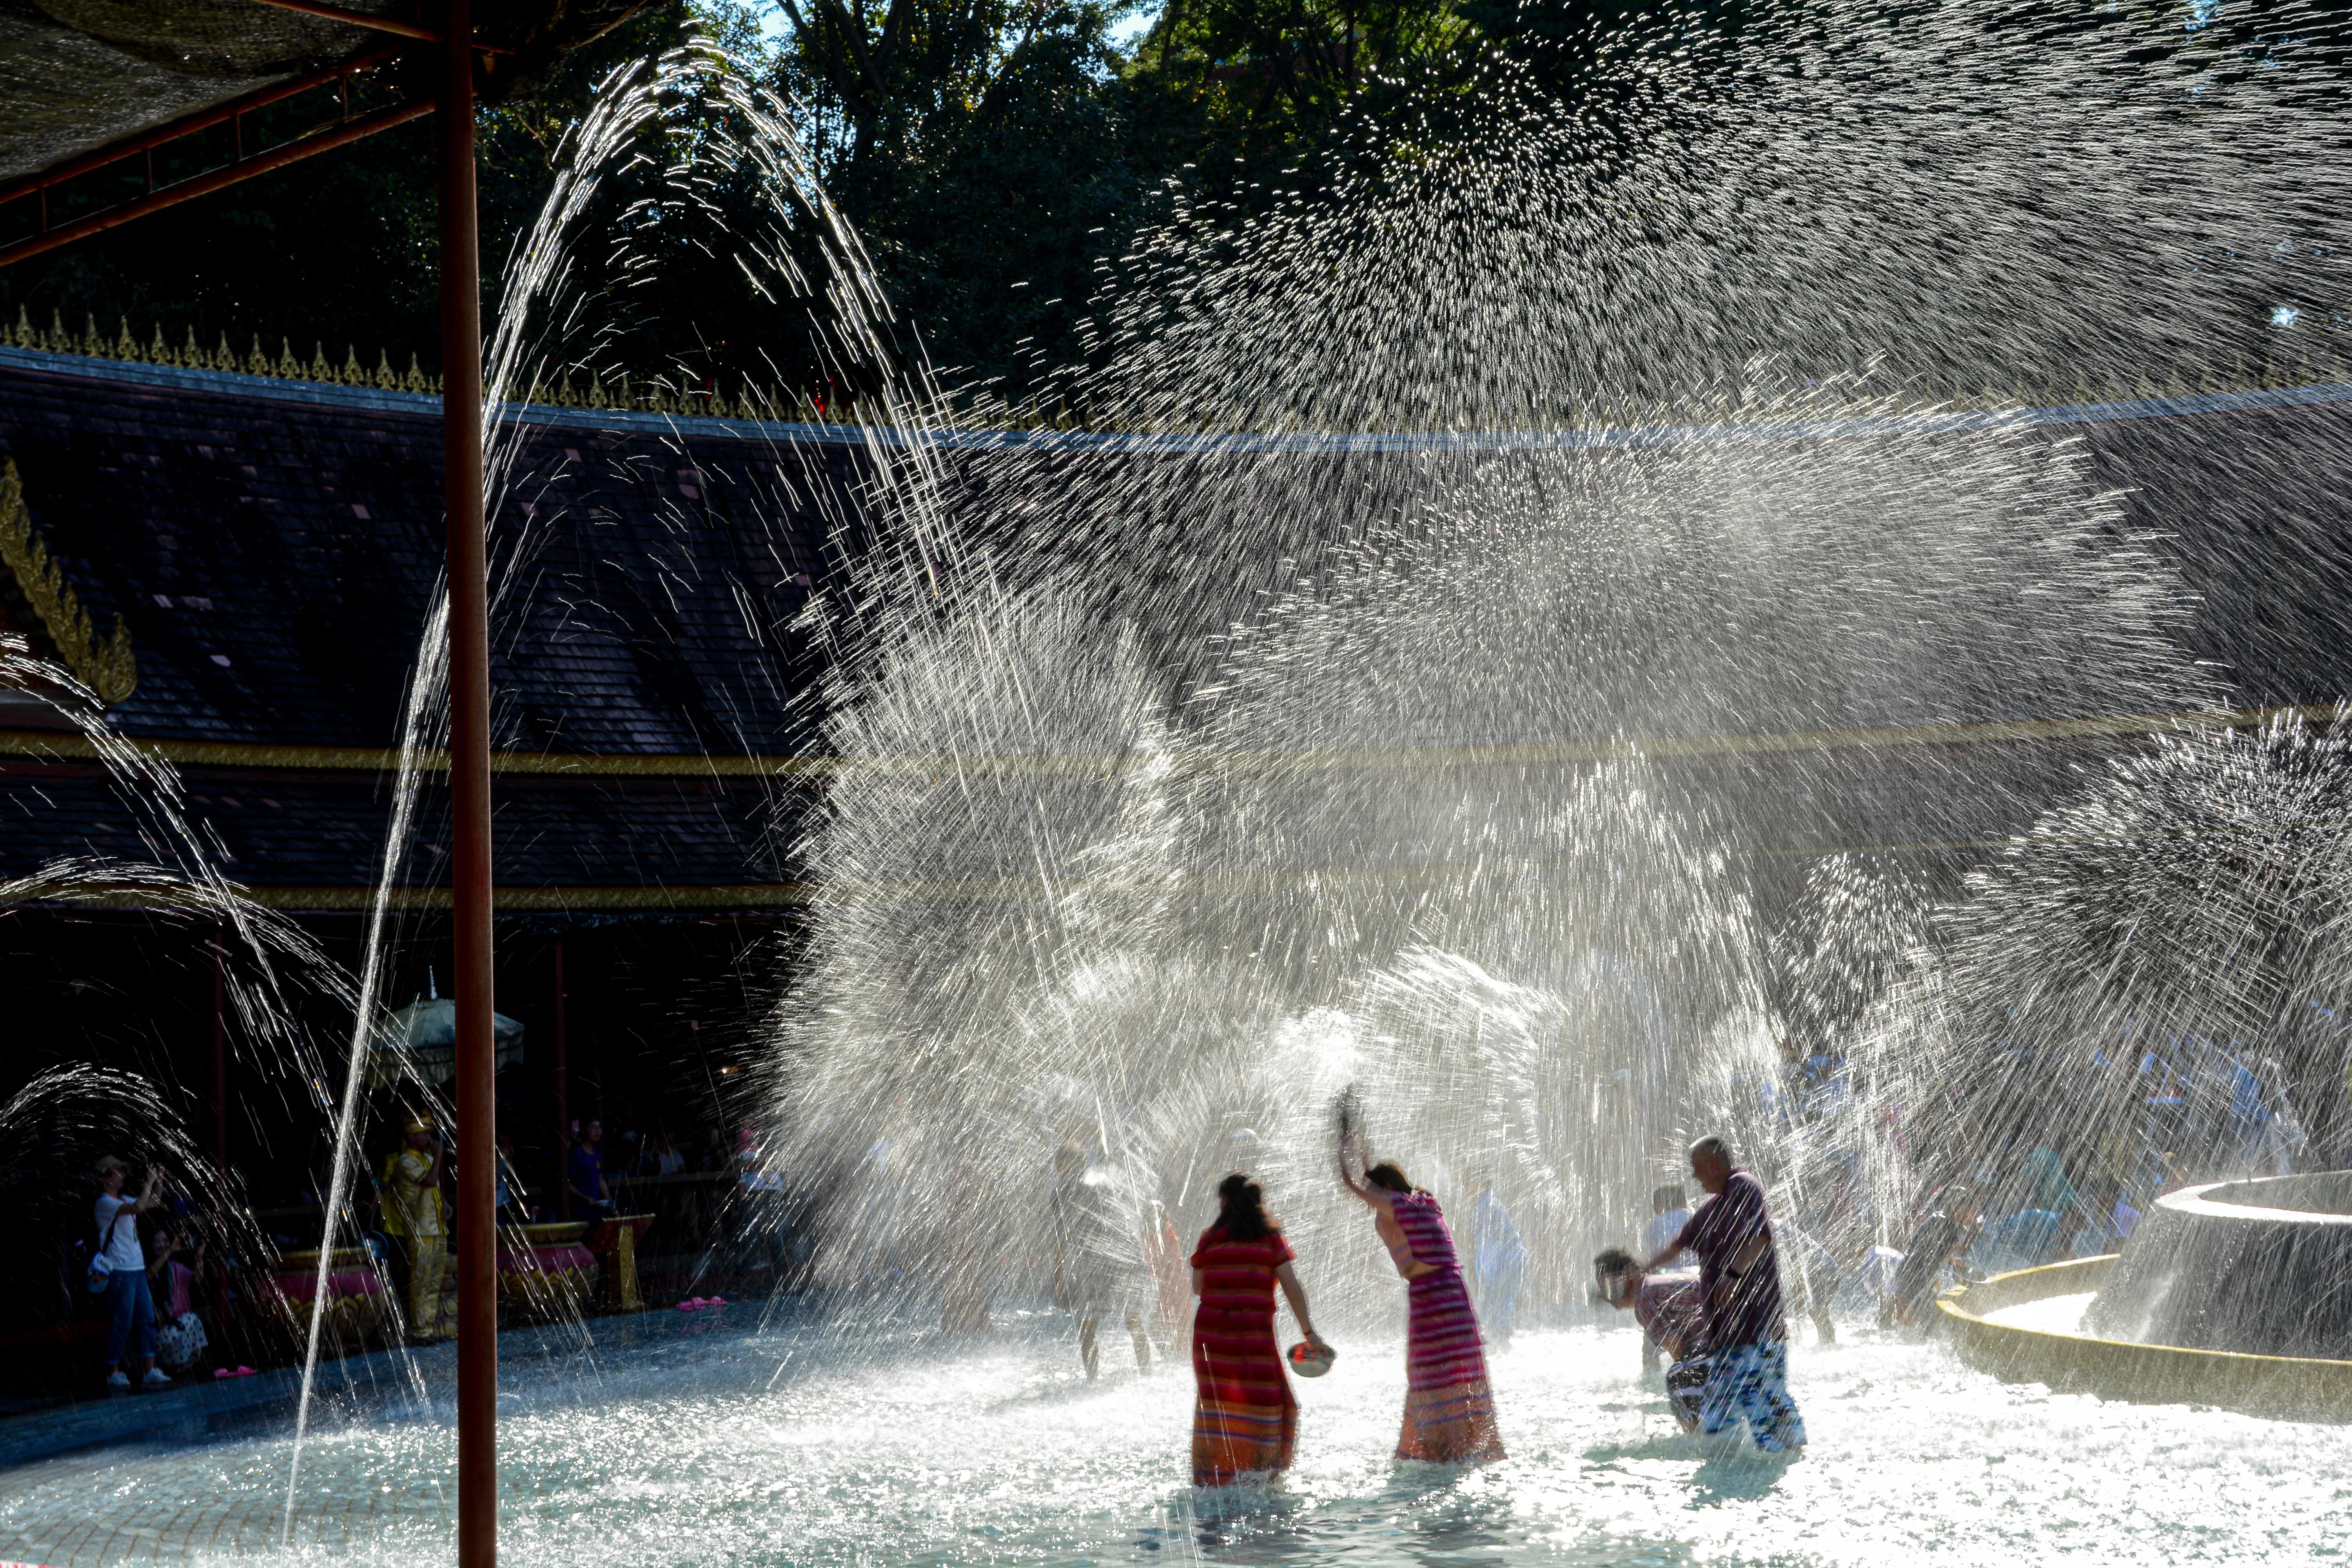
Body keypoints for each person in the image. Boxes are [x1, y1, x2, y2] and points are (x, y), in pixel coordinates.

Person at [1633, 1136, 1806, 1454]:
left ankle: (1790, 1455)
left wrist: (1733, 1275)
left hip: (1756, 1327)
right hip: (1727, 1338)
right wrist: (1642, 1271)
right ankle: (1729, 1464)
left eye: (1697, 1169)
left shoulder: (1743, 1185)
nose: (1695, 1177)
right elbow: (1678, 1244)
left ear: (1712, 1165)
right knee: (1717, 1419)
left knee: (1764, 1400)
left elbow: (1759, 1237)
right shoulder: (1712, 1208)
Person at [1339, 1143, 1506, 1464]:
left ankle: (1439, 1450)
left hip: (1430, 1297)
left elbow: (1408, 1267)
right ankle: (1473, 1445)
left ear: (1385, 1189)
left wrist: (1344, 1163)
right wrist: (1362, 1159)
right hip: (1455, 1295)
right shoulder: (1426, 1202)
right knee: (1461, 1368)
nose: (1372, 1202)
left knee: (1428, 1372)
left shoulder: (1396, 1208)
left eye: (1376, 1194)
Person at [1190, 1173, 1326, 1485]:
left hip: (1211, 1339)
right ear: (1257, 1204)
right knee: (1264, 1400)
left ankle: (1216, 1478)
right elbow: (1291, 1287)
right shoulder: (1269, 1239)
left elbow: (1199, 1288)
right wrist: (1309, 1333)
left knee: (1218, 1406)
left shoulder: (1209, 1239)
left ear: (1225, 1202)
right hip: (1252, 1336)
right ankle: (1261, 1476)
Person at [1050, 1140, 1151, 1379]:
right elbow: (1127, 1219)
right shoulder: (1107, 1182)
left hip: (1097, 1263)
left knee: (1088, 1325)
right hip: (1125, 1257)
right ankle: (1147, 1374)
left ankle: (1093, 1380)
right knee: (1132, 1321)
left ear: (1067, 1165)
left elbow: (1059, 1238)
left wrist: (1059, 1277)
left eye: (1060, 1167)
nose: (1059, 1172)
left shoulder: (1062, 1193)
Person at [1596, 1247, 1708, 1431]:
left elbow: (1677, 1348)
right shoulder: (1653, 1286)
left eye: (1611, 1288)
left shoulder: (1645, 1299)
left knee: (1678, 1378)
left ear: (1629, 1275)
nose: (1611, 1299)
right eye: (1605, 1291)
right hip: (1730, 1335)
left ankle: (1699, 1436)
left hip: (1716, 1342)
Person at [93, 1155, 169, 1388]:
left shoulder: (123, 1198)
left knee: (147, 1318)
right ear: (106, 1179)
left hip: (137, 1267)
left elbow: (154, 1201)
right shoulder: (104, 1203)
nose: (123, 1175)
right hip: (120, 1269)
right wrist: (149, 1180)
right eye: (118, 1172)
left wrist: (159, 1180)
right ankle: (112, 1369)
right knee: (123, 1320)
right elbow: (138, 1207)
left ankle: (150, 1368)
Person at [381, 1117, 448, 1345]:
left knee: (434, 1279)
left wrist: (445, 1205)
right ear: (411, 1138)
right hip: (420, 1229)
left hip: (437, 1227)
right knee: (421, 1279)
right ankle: (419, 1330)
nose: (429, 1138)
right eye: (424, 1134)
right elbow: (429, 1181)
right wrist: (439, 1156)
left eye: (429, 1134)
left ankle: (428, 1328)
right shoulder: (406, 1162)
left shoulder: (427, 1159)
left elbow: (434, 1188)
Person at [1888, 1186, 1980, 1327]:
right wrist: (1975, 1230)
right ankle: (1923, 1337)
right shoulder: (1951, 1227)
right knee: (1933, 1316)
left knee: (1904, 1310)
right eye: (1970, 1212)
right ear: (1957, 1208)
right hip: (1919, 1277)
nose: (1971, 1217)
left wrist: (1951, 1261)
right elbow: (1962, 1251)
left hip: (1907, 1270)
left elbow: (1930, 1249)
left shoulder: (1936, 1218)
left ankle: (1884, 1324)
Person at [147, 1223, 211, 1374]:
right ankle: (170, 1366)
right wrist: (170, 1251)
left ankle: (180, 1367)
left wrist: (199, 1258)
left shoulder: (174, 1267)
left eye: (165, 1241)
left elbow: (197, 1279)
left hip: (176, 1324)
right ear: (150, 1245)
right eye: (158, 1241)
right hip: (155, 1328)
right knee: (184, 1326)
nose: (162, 1244)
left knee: (191, 1321)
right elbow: (149, 1275)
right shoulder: (143, 1266)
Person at [1469, 1183, 1527, 1348]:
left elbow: (1491, 1246)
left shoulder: (1489, 1208)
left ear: (1480, 1185)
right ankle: (1501, 1350)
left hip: (1507, 1263)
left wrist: (1487, 1277)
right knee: (1493, 1313)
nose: (1467, 1189)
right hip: (1508, 1263)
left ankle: (1502, 1350)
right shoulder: (1485, 1206)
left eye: (1470, 1184)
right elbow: (1484, 1247)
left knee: (1495, 1314)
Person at [569, 1119, 613, 1216]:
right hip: (581, 1211)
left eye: (599, 1128)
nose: (597, 1131)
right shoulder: (577, 1153)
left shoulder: (596, 1154)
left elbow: (600, 1179)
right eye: (593, 1127)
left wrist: (610, 1201)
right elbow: (568, 1183)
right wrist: (586, 1198)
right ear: (584, 1131)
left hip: (595, 1209)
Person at [1643, 1183, 1693, 1267]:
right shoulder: (1695, 1217)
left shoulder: (1655, 1225)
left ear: (1659, 1207)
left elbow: (1652, 1254)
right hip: (1700, 1270)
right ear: (1684, 1202)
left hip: (1667, 1273)